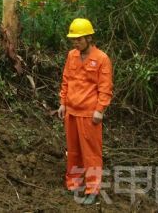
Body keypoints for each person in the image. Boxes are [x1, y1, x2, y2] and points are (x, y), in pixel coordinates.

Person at [58, 18, 113, 205]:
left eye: (79, 39)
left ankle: (93, 189)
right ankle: (73, 184)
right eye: (74, 39)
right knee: (73, 151)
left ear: (89, 38)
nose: (76, 42)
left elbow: (105, 87)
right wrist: (62, 103)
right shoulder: (71, 55)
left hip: (90, 114)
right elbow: (66, 80)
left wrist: (100, 109)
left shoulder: (102, 59)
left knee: (91, 154)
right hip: (71, 112)